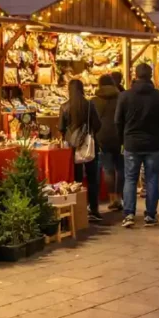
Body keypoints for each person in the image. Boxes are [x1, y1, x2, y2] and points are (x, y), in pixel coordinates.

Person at [115, 63, 159, 228]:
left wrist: (122, 140)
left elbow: (118, 120)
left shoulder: (125, 96)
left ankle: (129, 214)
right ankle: (151, 215)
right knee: (152, 179)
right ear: (151, 75)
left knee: (130, 179)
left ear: (135, 75)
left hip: (131, 143)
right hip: (154, 144)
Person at [60, 79, 103, 221]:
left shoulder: (65, 106)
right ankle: (94, 209)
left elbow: (61, 128)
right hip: (90, 145)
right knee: (92, 178)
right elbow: (97, 124)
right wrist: (88, 134)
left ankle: (78, 211)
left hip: (72, 147)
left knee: (76, 178)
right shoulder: (90, 105)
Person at [92, 74, 123, 211]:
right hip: (119, 136)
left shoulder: (94, 101)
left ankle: (112, 199)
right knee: (121, 169)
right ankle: (120, 198)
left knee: (108, 169)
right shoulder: (121, 98)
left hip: (102, 137)